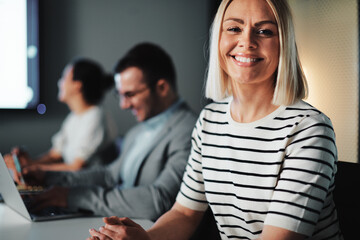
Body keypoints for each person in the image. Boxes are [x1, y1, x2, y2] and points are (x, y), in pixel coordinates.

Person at [87, 0, 342, 239]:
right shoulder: (210, 120)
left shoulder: (309, 129)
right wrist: (147, 238)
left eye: (264, 31)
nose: (247, 42)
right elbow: (184, 214)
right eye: (233, 28)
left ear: (284, 42)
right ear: (218, 38)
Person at [23, 42, 197, 221]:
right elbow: (108, 176)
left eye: (130, 95)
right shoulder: (136, 132)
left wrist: (73, 197)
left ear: (162, 88)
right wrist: (48, 178)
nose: (123, 105)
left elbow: (158, 201)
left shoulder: (189, 131)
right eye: (119, 95)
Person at [5, 58, 117, 178]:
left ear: (77, 86)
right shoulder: (74, 117)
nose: (60, 83)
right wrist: (27, 162)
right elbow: (55, 155)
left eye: (64, 78)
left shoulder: (96, 116)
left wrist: (32, 168)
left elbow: (77, 167)